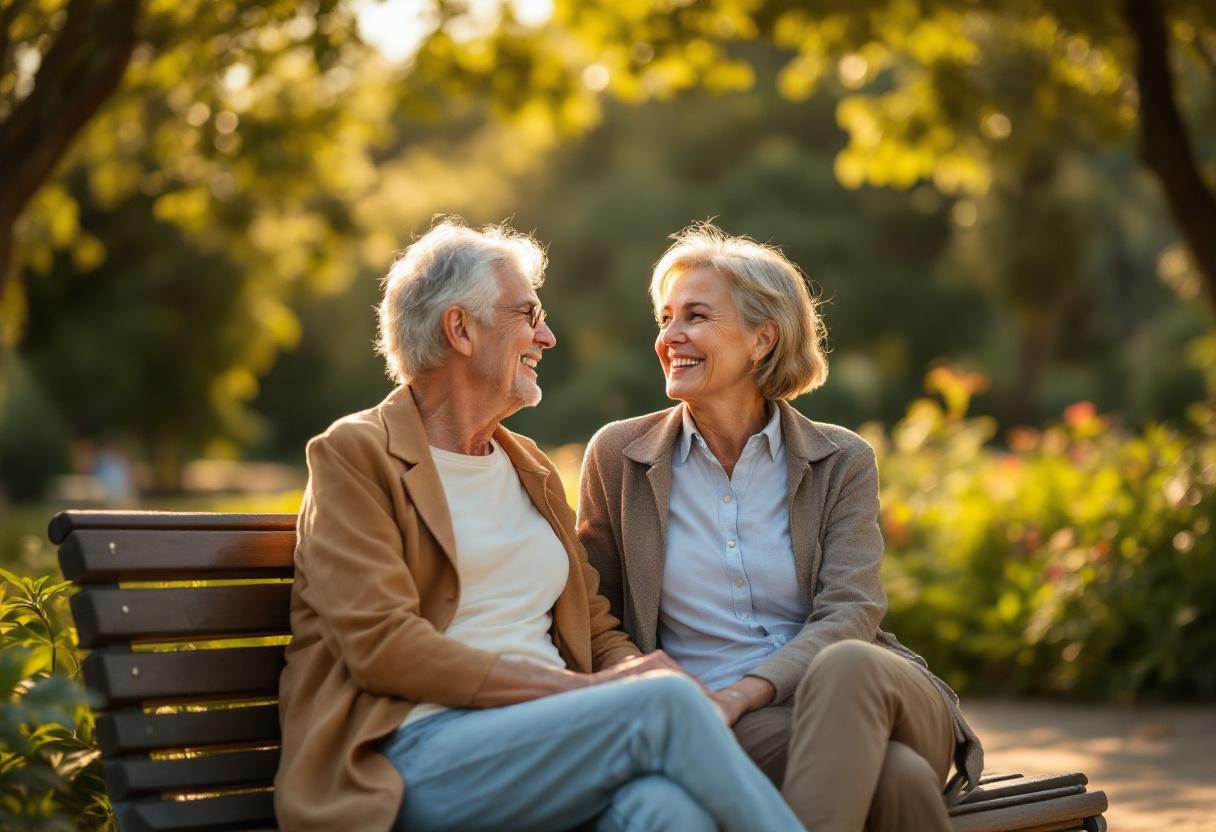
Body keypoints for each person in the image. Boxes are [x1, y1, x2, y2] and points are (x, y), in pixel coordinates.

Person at [274, 218, 803, 832]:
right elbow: (384, 648)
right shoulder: (357, 454)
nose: (547, 336)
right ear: (460, 329)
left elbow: (592, 622)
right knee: (664, 706)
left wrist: (631, 669)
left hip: (545, 745)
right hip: (411, 753)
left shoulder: (526, 465)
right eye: (528, 315)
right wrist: (586, 694)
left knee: (664, 809)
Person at [578, 223, 986, 831]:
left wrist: (744, 691)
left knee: (846, 663)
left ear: (761, 339)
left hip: (875, 695)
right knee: (897, 779)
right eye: (665, 319)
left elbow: (852, 610)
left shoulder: (840, 459)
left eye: (695, 316)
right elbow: (595, 613)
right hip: (734, 726)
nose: (669, 337)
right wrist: (647, 678)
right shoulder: (620, 457)